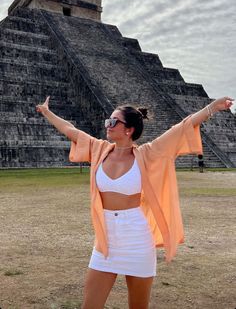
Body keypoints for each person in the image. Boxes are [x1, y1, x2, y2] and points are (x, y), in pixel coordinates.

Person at [36, 96, 233, 309]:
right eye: (107, 121)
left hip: (138, 240)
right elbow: (69, 129)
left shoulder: (148, 153)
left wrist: (212, 108)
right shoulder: (99, 149)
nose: (107, 126)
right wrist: (47, 112)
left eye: (113, 122)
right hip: (106, 241)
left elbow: (182, 127)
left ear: (128, 130)